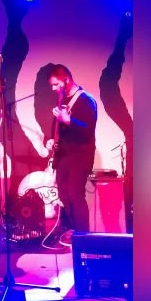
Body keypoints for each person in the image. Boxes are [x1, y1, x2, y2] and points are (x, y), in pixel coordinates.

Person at [45, 64, 97, 246]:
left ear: (66, 80)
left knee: (75, 194)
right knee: (64, 195)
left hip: (80, 156)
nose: (53, 89)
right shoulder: (62, 100)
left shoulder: (86, 100)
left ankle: (83, 236)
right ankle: (71, 230)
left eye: (56, 84)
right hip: (64, 156)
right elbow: (58, 128)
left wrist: (69, 120)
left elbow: (88, 129)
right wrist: (51, 140)